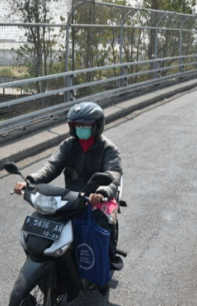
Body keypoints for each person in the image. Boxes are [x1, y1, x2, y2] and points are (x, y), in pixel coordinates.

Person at [13, 102, 123, 273]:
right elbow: (51, 167)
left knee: (101, 225)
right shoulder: (68, 145)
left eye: (85, 125)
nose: (81, 128)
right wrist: (30, 181)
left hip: (96, 198)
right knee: (45, 220)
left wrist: (103, 192)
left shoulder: (108, 149)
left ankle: (107, 261)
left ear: (96, 126)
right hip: (71, 198)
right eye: (77, 125)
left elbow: (113, 173)